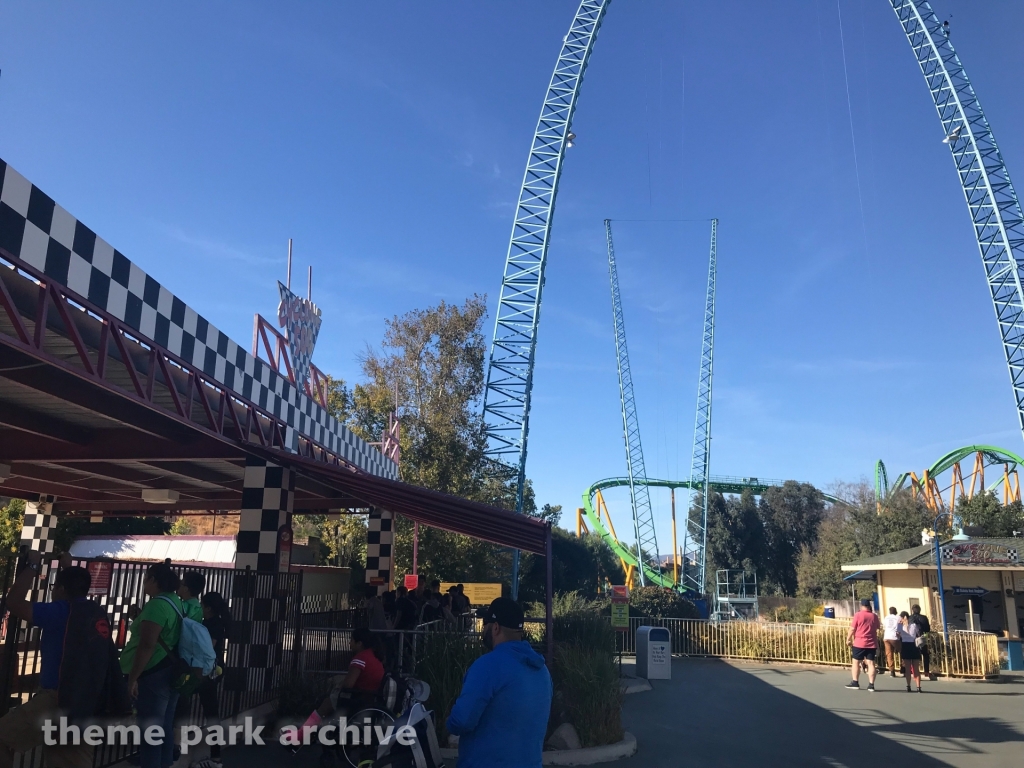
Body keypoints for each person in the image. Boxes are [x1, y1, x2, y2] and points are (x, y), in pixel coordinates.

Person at [0, 552, 95, 768]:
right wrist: (67, 568)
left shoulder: (59, 611)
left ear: (60, 589)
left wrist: (33, 565)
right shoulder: (93, 611)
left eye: (55, 586)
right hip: (85, 698)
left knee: (3, 737)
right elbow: (70, 589)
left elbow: (13, 602)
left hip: (56, 698)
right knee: (69, 757)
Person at [447, 598, 552, 767]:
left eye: (485, 624)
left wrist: (448, 722)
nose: (483, 630)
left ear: (495, 628)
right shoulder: (542, 670)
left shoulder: (488, 665)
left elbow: (461, 721)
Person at [121, 562, 186, 768]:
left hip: (152, 674)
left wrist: (133, 677)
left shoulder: (157, 605)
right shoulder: (175, 601)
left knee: (150, 733)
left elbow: (147, 645)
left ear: (154, 580)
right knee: (164, 728)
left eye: (146, 578)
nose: (143, 583)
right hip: (170, 670)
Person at [189, 592, 232, 768]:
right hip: (211, 672)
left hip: (207, 673)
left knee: (211, 713)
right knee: (211, 712)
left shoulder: (212, 625)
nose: (199, 606)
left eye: (201, 604)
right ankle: (215, 757)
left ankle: (215, 759)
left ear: (208, 608)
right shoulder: (215, 623)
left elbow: (207, 649)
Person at [845, 599, 880, 692]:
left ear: (861, 606)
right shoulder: (874, 616)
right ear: (869, 606)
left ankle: (855, 682)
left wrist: (848, 639)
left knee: (856, 662)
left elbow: (852, 629)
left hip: (859, 642)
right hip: (871, 643)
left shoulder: (858, 615)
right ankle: (871, 685)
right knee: (871, 663)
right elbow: (877, 628)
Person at [898, 611, 923, 693]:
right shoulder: (914, 625)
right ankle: (918, 687)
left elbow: (898, 635)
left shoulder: (900, 626)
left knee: (908, 668)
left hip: (905, 646)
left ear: (904, 617)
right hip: (914, 645)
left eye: (901, 618)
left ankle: (908, 686)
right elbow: (918, 634)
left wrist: (899, 625)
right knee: (916, 668)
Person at [909, 604, 934, 680]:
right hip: (921, 638)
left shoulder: (910, 618)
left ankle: (913, 671)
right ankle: (926, 671)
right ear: (919, 610)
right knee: (925, 654)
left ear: (912, 610)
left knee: (913, 656)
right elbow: (927, 629)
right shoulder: (923, 618)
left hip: (912, 639)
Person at [882, 607, 902, 677]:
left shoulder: (886, 617)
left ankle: (892, 671)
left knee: (889, 654)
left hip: (886, 637)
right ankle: (903, 667)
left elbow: (884, 626)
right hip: (894, 637)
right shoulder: (898, 617)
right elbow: (900, 628)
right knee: (902, 651)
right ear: (896, 611)